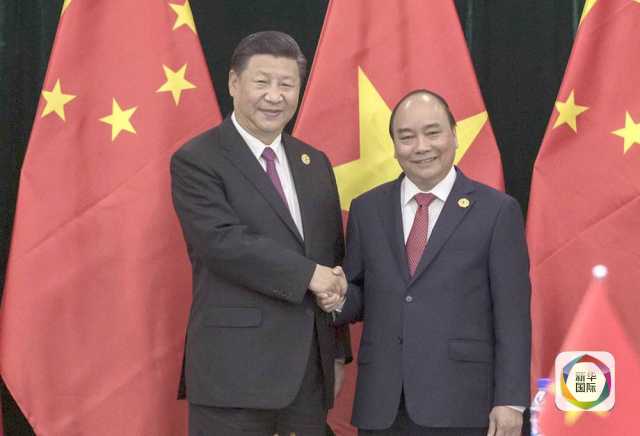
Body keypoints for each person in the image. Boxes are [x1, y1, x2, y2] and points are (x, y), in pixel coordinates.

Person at [319, 89, 531, 436]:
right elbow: (359, 293)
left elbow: (513, 314)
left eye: (433, 133)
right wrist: (338, 296)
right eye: (407, 137)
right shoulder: (367, 209)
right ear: (394, 146)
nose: (421, 146)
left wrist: (510, 400)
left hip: (461, 403)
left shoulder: (497, 211)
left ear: (454, 135)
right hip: (383, 405)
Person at [171, 31, 350, 436]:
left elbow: (330, 257)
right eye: (262, 82)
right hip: (234, 377)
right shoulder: (198, 159)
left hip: (309, 377)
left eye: (286, 84)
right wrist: (309, 275)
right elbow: (221, 243)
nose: (275, 96)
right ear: (234, 83)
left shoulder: (314, 163)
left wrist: (336, 352)